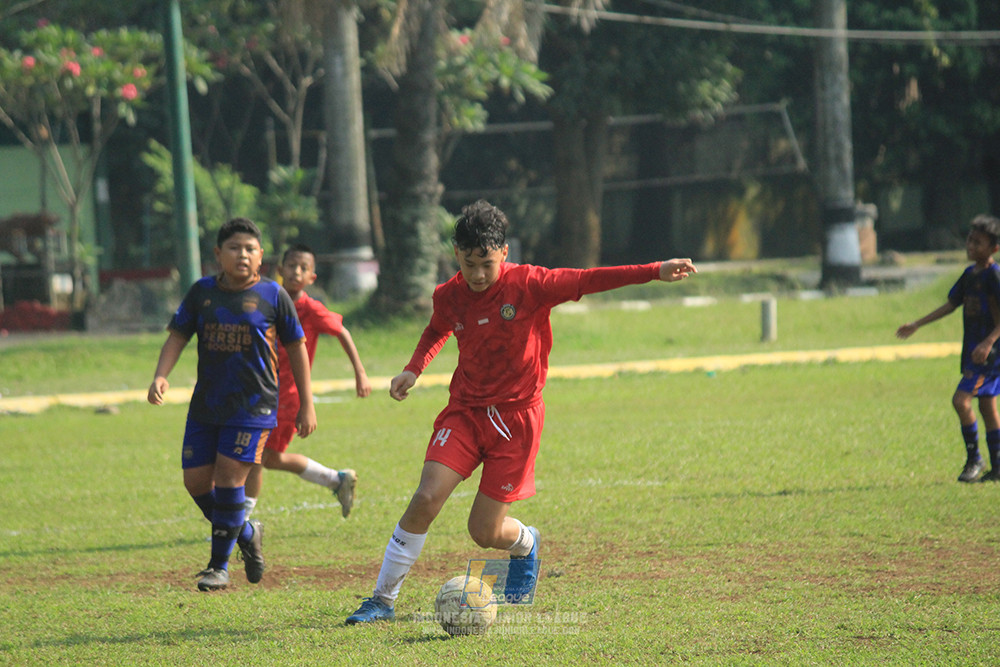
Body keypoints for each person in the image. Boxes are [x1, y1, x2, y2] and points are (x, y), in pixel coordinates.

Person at [345, 199, 697, 624]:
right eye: (469, 263)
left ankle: (526, 543)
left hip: (516, 422)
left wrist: (654, 270)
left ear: (504, 254)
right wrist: (413, 368)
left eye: (487, 265)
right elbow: (438, 329)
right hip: (465, 412)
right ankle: (382, 600)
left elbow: (589, 278)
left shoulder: (531, 284)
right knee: (425, 497)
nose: (477, 274)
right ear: (456, 253)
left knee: (484, 533)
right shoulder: (449, 294)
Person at [147, 218, 317, 591]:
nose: (243, 254)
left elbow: (297, 348)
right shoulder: (201, 293)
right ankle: (247, 531)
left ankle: (218, 566)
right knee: (195, 482)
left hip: (254, 406)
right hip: (206, 404)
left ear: (260, 257)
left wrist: (307, 403)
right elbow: (177, 336)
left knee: (228, 478)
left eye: (251, 249)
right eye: (235, 247)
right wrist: (161, 375)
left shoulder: (274, 295)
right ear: (217, 254)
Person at [243, 244, 372, 518]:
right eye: (291, 266)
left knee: (254, 457)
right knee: (269, 458)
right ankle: (336, 480)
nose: (296, 271)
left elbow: (342, 331)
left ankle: (237, 524)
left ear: (312, 278)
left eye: (303, 268)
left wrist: (359, 372)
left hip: (287, 398)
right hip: (259, 393)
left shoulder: (310, 309)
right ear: (280, 270)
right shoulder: (266, 302)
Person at [896, 214, 1000, 483]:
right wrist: (917, 324)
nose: (971, 246)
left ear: (994, 248)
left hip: (989, 355)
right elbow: (951, 304)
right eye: (970, 240)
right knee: (988, 406)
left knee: (960, 400)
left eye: (978, 242)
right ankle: (998, 465)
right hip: (974, 350)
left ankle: (974, 460)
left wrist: (988, 343)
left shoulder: (994, 276)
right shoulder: (969, 275)